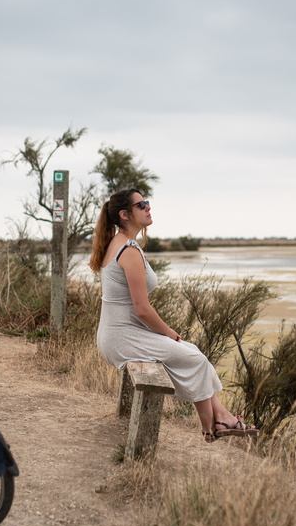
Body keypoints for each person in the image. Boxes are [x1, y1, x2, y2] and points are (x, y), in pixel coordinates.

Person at [89, 188, 258, 442]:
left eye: (147, 202)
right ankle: (212, 424)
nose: (148, 207)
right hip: (122, 338)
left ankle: (221, 417)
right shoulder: (128, 251)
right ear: (125, 215)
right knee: (194, 357)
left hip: (117, 334)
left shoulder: (120, 244)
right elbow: (142, 309)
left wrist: (168, 336)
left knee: (192, 351)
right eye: (141, 205)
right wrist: (168, 333)